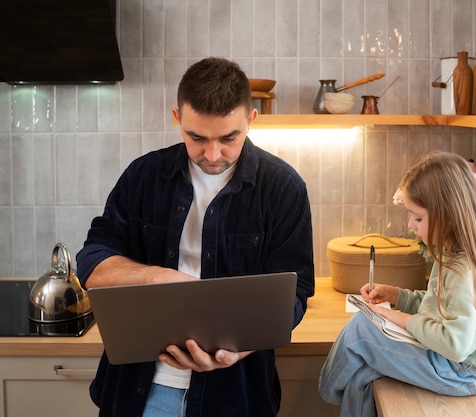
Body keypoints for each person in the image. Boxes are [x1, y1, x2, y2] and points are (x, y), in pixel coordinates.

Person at [76, 57, 315, 417]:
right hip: (137, 392)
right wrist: (159, 278)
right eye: (196, 137)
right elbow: (93, 261)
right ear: (177, 118)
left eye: (228, 138)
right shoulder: (143, 176)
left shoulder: (283, 188)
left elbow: (293, 298)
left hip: (235, 396)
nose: (213, 154)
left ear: (250, 120)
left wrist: (239, 347)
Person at [319, 151, 476, 417]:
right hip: (457, 364)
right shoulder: (456, 251)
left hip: (461, 371)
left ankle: (326, 394)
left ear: (448, 216)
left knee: (362, 328)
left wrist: (397, 317)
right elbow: (440, 307)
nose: (410, 225)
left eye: (417, 218)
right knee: (363, 375)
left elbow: (455, 344)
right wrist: (397, 296)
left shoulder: (465, 268)